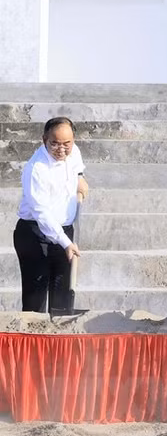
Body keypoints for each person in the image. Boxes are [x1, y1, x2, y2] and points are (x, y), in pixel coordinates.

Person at [14, 117, 89, 313]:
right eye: (54, 144)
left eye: (67, 144)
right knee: (35, 303)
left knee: (63, 298)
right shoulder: (36, 169)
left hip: (64, 230)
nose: (61, 149)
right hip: (36, 234)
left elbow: (76, 162)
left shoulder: (73, 152)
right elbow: (42, 214)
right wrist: (66, 243)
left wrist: (79, 177)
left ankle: (60, 341)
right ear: (44, 140)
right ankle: (34, 342)